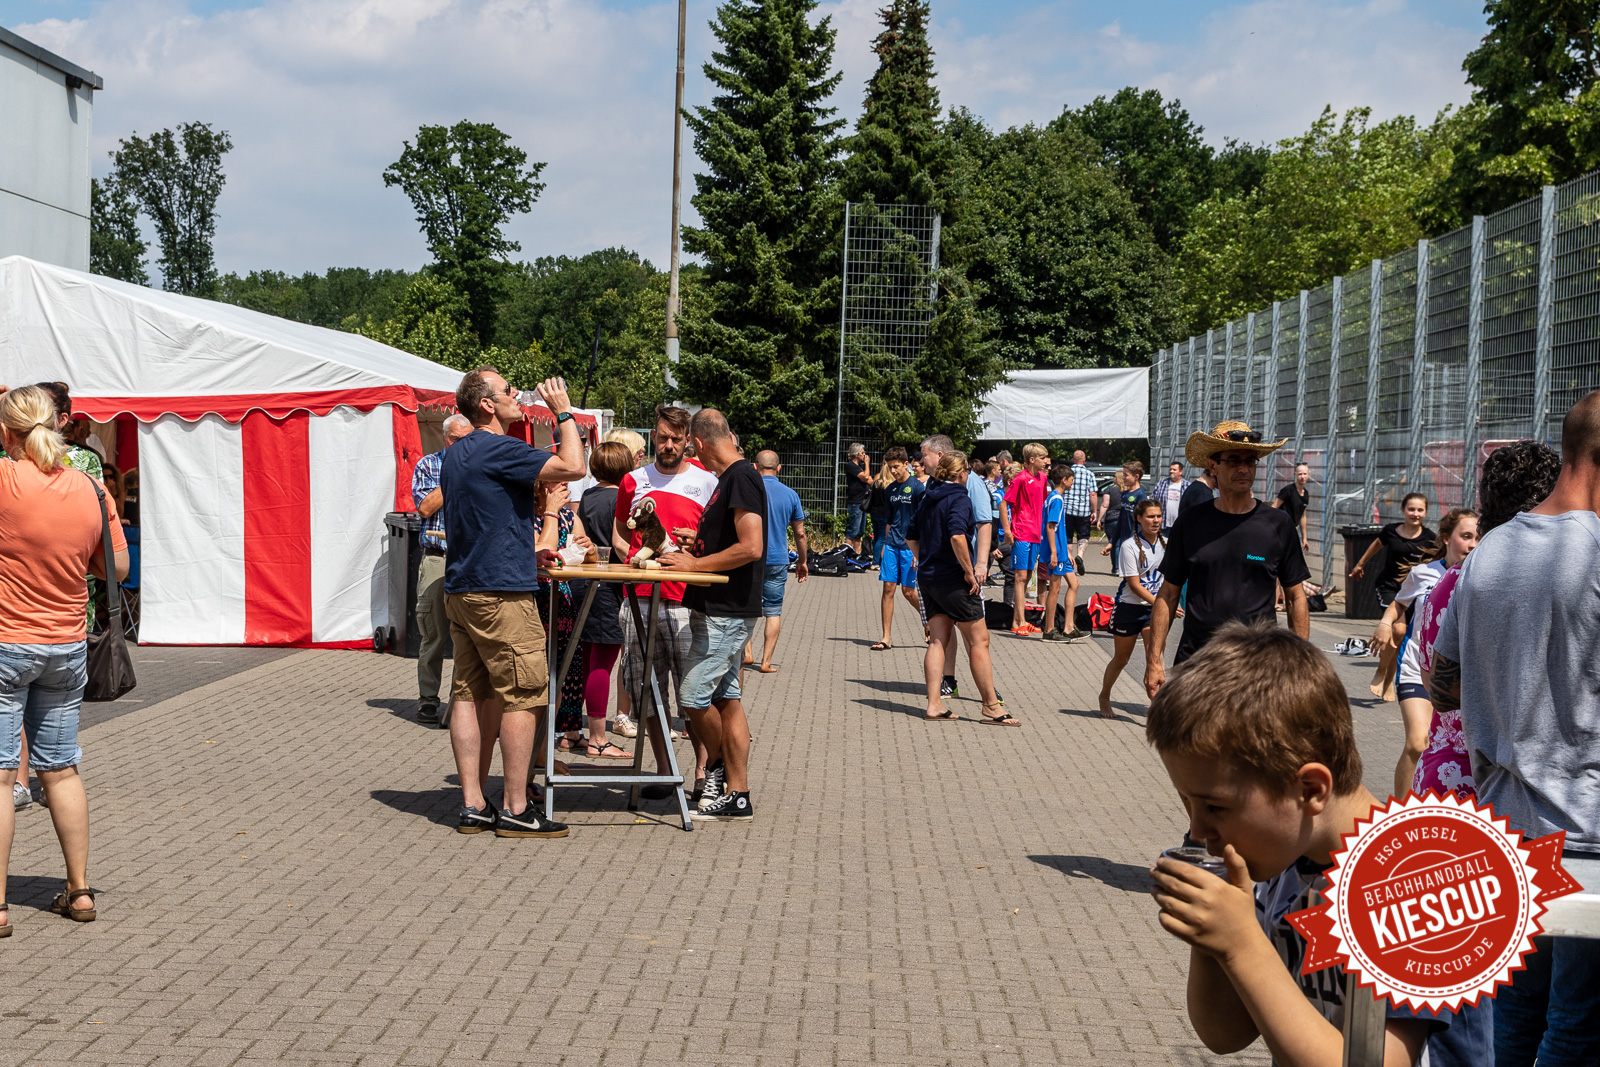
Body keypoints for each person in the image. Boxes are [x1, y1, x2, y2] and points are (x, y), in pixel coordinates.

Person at [1147, 621, 1447, 1066]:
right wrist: (1212, 939)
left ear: (1309, 790)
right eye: (1187, 802)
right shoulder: (1287, 860)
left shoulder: (1418, 881)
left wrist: (1242, 943)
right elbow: (1225, 1034)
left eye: (1215, 806)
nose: (1197, 832)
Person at [1429, 393, 1600, 1067]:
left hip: (1506, 826)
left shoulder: (1490, 550)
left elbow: (1442, 683)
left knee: (1516, 1021)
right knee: (1579, 1029)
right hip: (1587, 833)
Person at [0, 384, 130, 930]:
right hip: (65, 643)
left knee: (1, 776)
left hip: (6, 642)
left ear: (6, 431)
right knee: (61, 770)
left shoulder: (3, 479)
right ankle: (79, 892)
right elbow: (117, 569)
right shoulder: (90, 487)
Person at [441, 368, 586, 839]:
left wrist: (527, 552)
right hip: (500, 593)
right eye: (507, 390)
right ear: (486, 404)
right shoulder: (498, 447)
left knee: (468, 694)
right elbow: (573, 467)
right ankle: (517, 808)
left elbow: (486, 517)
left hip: (463, 589)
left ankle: (473, 806)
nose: (516, 394)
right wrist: (563, 411)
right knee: (525, 692)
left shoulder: (456, 453)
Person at [1145, 421, 1310, 698]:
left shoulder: (1277, 524)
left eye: (1250, 461)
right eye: (1233, 461)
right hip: (1197, 662)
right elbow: (1168, 594)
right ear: (1213, 466)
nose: (1243, 468)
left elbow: (1295, 597)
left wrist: (1301, 662)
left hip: (1259, 667)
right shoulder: (1191, 522)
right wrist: (1154, 660)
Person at [658, 409, 766, 822]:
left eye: (690, 446)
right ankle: (738, 795)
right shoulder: (731, 478)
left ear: (699, 443)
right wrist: (701, 539)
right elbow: (733, 539)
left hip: (727, 611)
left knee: (692, 696)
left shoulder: (740, 477)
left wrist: (694, 564)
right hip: (720, 609)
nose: (690, 453)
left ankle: (717, 769)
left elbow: (751, 546)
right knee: (726, 699)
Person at [611, 405, 718, 794]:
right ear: (653, 436)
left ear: (688, 440)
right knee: (646, 690)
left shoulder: (706, 481)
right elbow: (620, 531)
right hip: (639, 601)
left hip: (687, 601)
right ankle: (663, 769)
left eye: (676, 438)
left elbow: (716, 540)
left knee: (693, 691)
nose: (668, 445)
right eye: (662, 437)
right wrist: (632, 561)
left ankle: (704, 772)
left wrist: (696, 548)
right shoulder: (633, 480)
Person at [1375, 507, 1477, 799]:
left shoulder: (1481, 577)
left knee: (1444, 746)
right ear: (1446, 538)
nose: (1472, 544)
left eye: (1478, 537)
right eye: (1465, 536)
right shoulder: (1423, 573)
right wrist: (1385, 623)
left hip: (1455, 677)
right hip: (1416, 668)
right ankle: (1400, 811)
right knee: (1418, 742)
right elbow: (1399, 604)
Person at [905, 451, 1008, 725]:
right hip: (954, 580)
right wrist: (969, 571)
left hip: (928, 578)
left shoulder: (928, 496)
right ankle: (991, 706)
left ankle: (934, 705)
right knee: (979, 641)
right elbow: (957, 535)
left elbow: (910, 535)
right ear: (962, 474)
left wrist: (925, 558)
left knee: (938, 640)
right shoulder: (959, 498)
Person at [409, 414, 474, 726]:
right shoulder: (429, 465)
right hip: (438, 557)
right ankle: (428, 701)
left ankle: (460, 703)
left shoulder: (479, 464)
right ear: (445, 438)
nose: (463, 446)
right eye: (457, 440)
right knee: (433, 634)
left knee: (467, 638)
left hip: (470, 559)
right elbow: (424, 507)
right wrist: (453, 475)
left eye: (467, 440)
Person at [571, 441, 633, 759]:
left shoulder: (588, 496)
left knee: (584, 659)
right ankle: (597, 738)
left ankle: (571, 730)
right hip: (609, 586)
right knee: (602, 663)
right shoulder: (621, 498)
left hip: (583, 581)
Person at [534, 481, 605, 755]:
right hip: (534, 601)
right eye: (558, 477)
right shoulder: (525, 512)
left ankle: (562, 738)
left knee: (566, 671)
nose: (565, 483)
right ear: (539, 483)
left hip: (562, 601)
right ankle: (538, 749)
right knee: (539, 676)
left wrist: (590, 549)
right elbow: (542, 551)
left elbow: (589, 558)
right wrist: (550, 512)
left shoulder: (569, 516)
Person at [919, 435, 993, 694]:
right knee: (950, 634)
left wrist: (980, 564)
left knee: (969, 634)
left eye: (924, 455)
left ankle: (985, 690)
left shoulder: (970, 483)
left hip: (959, 571)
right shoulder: (932, 485)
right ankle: (953, 682)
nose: (921, 460)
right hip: (947, 572)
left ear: (940, 456)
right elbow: (940, 533)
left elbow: (984, 523)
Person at [1353, 493, 1436, 702]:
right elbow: (1376, 545)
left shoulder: (1430, 538)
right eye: (1411, 509)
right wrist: (1360, 564)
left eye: (1420, 510)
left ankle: (1389, 680)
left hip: (1412, 593)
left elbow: (1440, 560)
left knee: (1398, 637)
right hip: (1389, 588)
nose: (1415, 514)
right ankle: (1381, 671)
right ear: (1403, 510)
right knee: (1398, 630)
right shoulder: (1391, 531)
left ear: (1425, 513)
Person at [1097, 499, 1164, 718]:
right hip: (1128, 608)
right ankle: (1104, 696)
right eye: (1151, 516)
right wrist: (1160, 603)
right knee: (1121, 659)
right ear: (1139, 518)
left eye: (1159, 516)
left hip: (1152, 612)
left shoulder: (1167, 544)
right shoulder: (1129, 546)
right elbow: (1134, 585)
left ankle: (1157, 707)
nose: (1156, 521)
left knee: (1154, 658)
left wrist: (1169, 605)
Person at [753, 450, 808, 673]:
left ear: (755, 467)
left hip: (750, 558)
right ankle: (766, 662)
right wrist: (803, 561)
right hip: (777, 559)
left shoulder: (748, 490)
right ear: (779, 468)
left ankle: (747, 653)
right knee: (773, 610)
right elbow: (800, 533)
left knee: (746, 608)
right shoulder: (790, 494)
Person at [870, 447, 923, 651]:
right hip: (892, 544)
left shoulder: (918, 488)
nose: (893, 471)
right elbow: (889, 520)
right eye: (890, 467)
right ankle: (886, 637)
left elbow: (923, 521)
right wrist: (884, 544)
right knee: (888, 589)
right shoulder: (890, 490)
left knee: (908, 592)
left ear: (906, 464)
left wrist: (919, 551)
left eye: (897, 467)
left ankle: (928, 621)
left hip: (910, 547)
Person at [1001, 443, 1050, 633]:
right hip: (1021, 532)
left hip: (1036, 534)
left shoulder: (1043, 478)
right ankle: (1020, 621)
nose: (1046, 462)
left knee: (1028, 576)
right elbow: (1003, 504)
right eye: (1042, 458)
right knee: (1020, 577)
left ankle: (1017, 621)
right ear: (1031, 459)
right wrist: (1007, 530)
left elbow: (1041, 503)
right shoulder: (1020, 478)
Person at [1037, 464, 1085, 643]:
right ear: (1064, 480)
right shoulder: (1056, 499)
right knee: (1055, 588)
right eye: (1072, 480)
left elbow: (1058, 529)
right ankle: (1049, 629)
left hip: (1061, 551)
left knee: (1074, 584)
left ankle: (1069, 627)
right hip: (1055, 552)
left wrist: (1067, 553)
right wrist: (1054, 553)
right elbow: (1050, 527)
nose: (1073, 483)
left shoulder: (1054, 498)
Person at [1100, 462, 1148, 575]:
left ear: (1136, 477)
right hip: (1124, 542)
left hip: (1135, 542)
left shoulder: (1141, 495)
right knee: (1125, 574)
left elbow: (1142, 523)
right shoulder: (1125, 494)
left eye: (1126, 475)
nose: (1123, 477)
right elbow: (1121, 522)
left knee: (1133, 575)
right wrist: (1112, 542)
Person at [1063, 450, 1099, 576]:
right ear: (1084, 460)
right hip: (1083, 511)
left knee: (1068, 537)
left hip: (1067, 510)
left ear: (1073, 460)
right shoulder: (1089, 474)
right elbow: (1093, 494)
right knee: (1083, 536)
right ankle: (1080, 555)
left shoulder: (1067, 473)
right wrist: (1094, 511)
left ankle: (1069, 562)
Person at [1270, 462, 1311, 554]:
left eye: (1305, 474)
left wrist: (1304, 538)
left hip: (1291, 529)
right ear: (1295, 475)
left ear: (1308, 475)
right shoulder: (1288, 490)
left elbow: (1302, 516)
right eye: (1300, 474)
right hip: (1281, 528)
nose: (1302, 477)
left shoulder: (1306, 494)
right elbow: (1274, 507)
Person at [841, 443, 871, 559]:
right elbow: (865, 477)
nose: (864, 455)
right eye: (862, 453)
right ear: (856, 454)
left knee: (860, 531)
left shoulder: (860, 467)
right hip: (855, 502)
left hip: (863, 502)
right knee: (853, 529)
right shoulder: (851, 465)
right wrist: (867, 464)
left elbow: (869, 480)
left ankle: (856, 553)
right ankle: (847, 553)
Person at [1153, 462, 1188, 538]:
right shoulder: (1162, 484)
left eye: (1174, 470)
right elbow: (1153, 500)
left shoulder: (1187, 486)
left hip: (1180, 524)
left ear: (1181, 472)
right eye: (1170, 469)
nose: (1171, 471)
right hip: (1163, 525)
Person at [867, 461, 891, 568]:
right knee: (882, 538)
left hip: (874, 513)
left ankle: (876, 560)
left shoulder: (876, 484)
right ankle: (876, 562)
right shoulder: (889, 486)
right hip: (884, 514)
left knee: (877, 537)